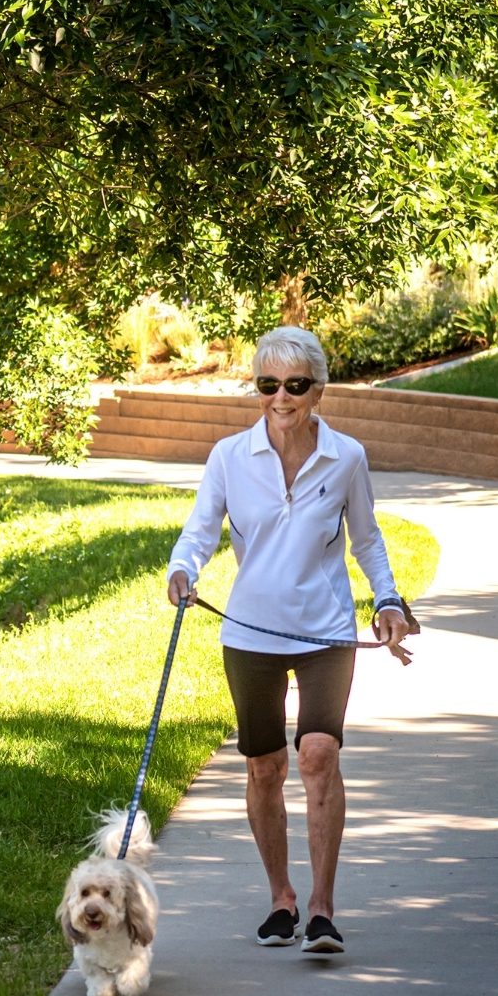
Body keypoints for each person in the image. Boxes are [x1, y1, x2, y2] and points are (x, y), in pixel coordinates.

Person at [165, 325, 411, 954]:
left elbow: (368, 539)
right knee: (264, 766)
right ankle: (282, 899)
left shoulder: (347, 457)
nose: (280, 397)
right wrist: (183, 569)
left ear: (318, 391)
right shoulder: (229, 457)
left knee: (318, 758)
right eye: (268, 384)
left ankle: (323, 911)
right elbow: (200, 531)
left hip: (325, 629)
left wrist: (386, 599)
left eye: (295, 385)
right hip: (250, 633)